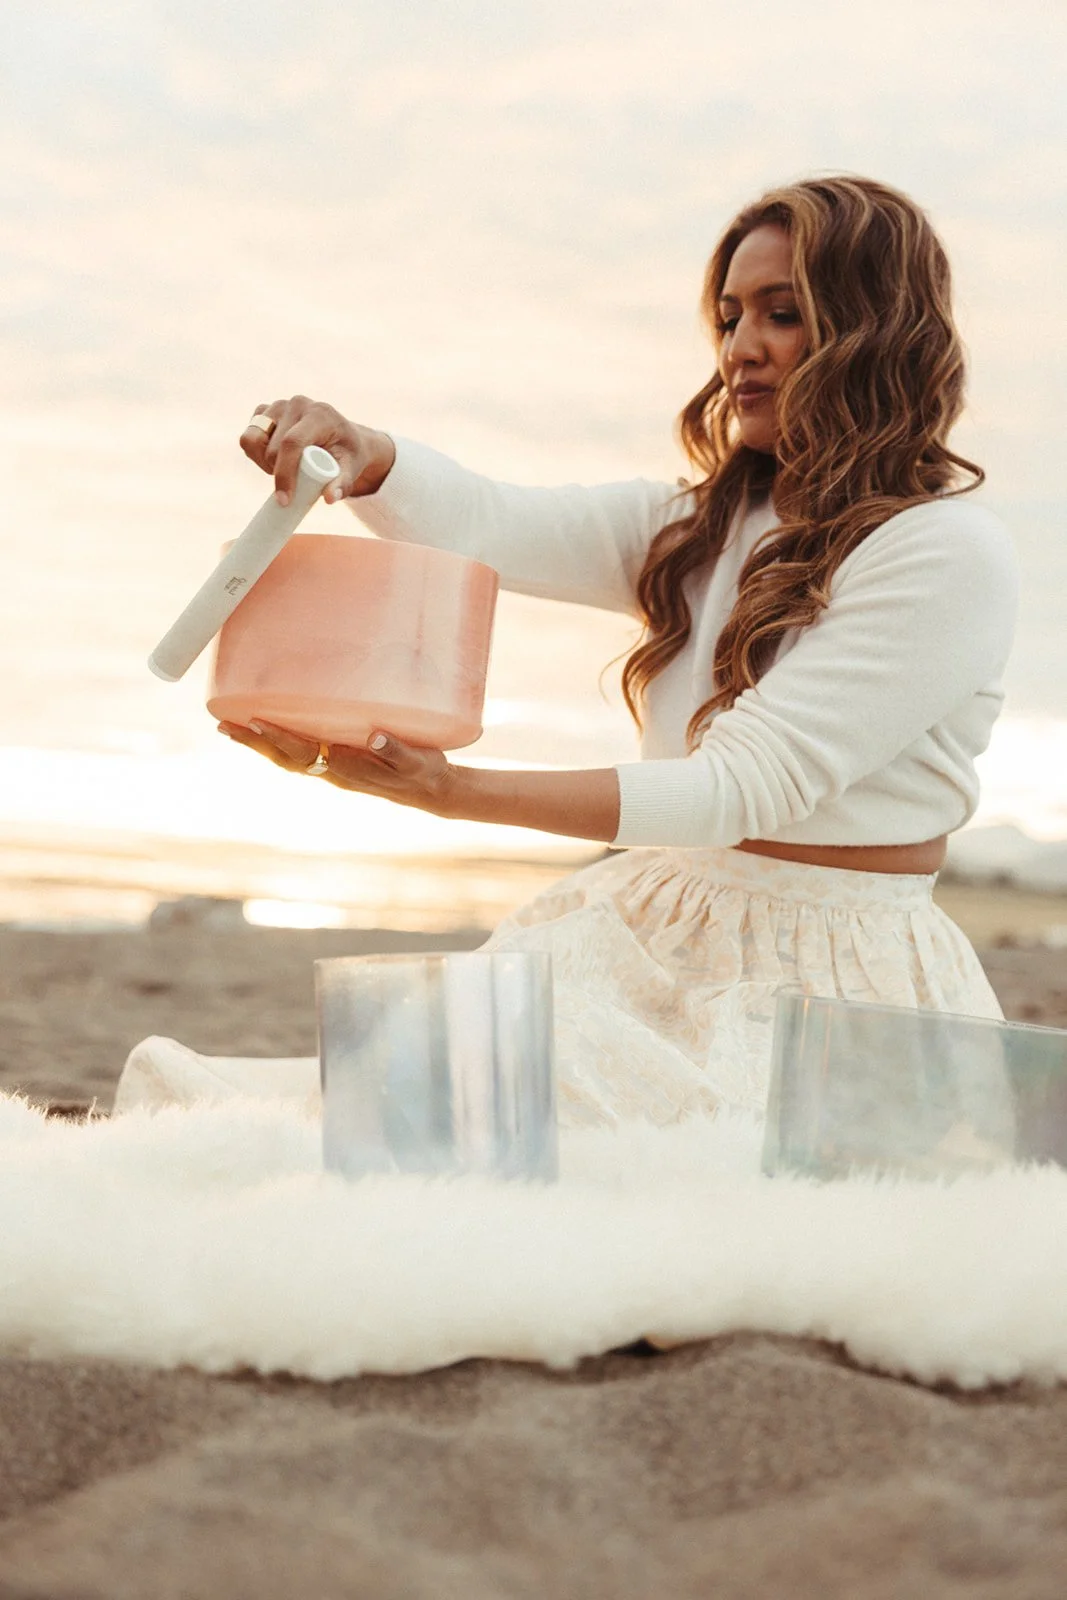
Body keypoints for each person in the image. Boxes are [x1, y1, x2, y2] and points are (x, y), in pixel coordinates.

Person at [122, 174, 1018, 1126]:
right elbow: (492, 524)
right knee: (391, 1121)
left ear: (878, 331)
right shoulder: (696, 525)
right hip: (647, 920)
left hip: (836, 968)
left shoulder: (943, 551)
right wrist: (367, 452)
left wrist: (452, 791)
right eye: (727, 318)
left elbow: (740, 788)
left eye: (783, 314)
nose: (740, 349)